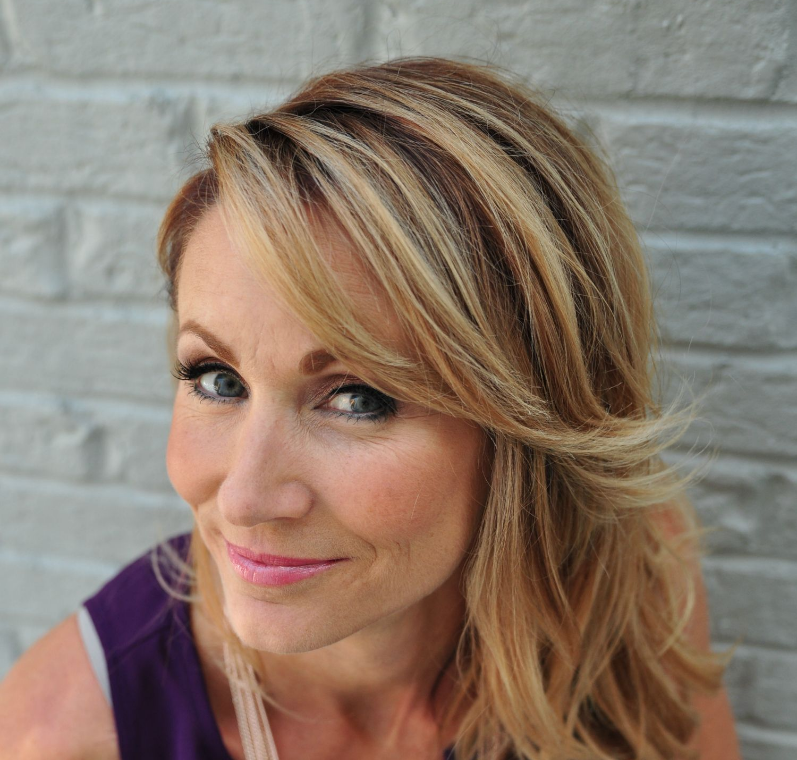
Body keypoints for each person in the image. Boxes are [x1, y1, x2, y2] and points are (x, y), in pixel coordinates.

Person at [0, 55, 741, 760]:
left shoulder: (626, 580)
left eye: (357, 398)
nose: (246, 498)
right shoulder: (64, 737)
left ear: (529, 429)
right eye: (217, 379)